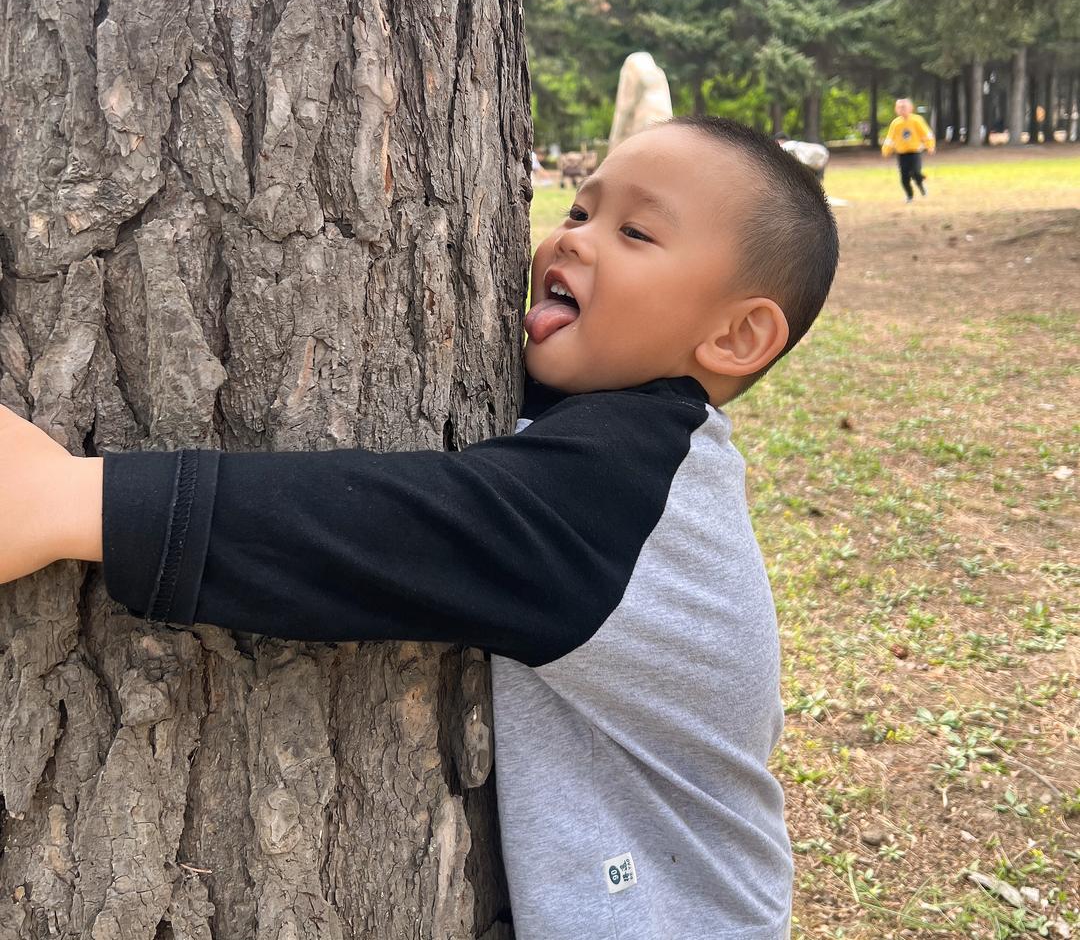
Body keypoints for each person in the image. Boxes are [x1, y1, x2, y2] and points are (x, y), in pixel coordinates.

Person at [0, 116, 838, 940]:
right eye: (579, 212)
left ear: (737, 335)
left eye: (637, 233)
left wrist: (75, 503)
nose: (570, 241)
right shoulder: (636, 453)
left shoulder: (628, 491)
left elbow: (393, 531)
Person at [882, 97, 935, 201]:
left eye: (904, 107)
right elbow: (890, 139)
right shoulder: (895, 123)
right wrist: (886, 150)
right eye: (899, 108)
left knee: (916, 173)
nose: (902, 110)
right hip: (902, 154)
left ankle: (921, 185)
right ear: (896, 110)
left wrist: (930, 145)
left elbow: (927, 134)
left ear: (911, 108)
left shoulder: (917, 120)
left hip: (914, 152)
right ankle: (909, 195)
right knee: (904, 177)